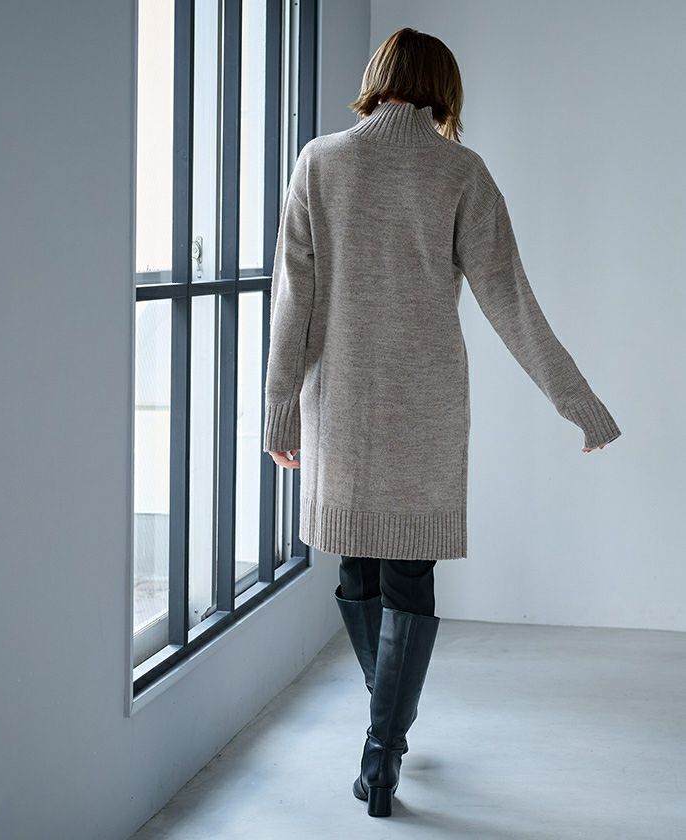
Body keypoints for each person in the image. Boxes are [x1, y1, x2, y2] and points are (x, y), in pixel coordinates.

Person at [262, 27, 622, 818]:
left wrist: (280, 408)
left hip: (340, 404)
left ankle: (383, 744)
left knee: (356, 567)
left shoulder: (320, 161)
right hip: (427, 409)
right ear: (443, 88)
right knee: (409, 575)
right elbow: (510, 300)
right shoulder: (461, 170)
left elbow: (295, 300)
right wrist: (578, 402)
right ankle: (383, 747)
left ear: (378, 78)